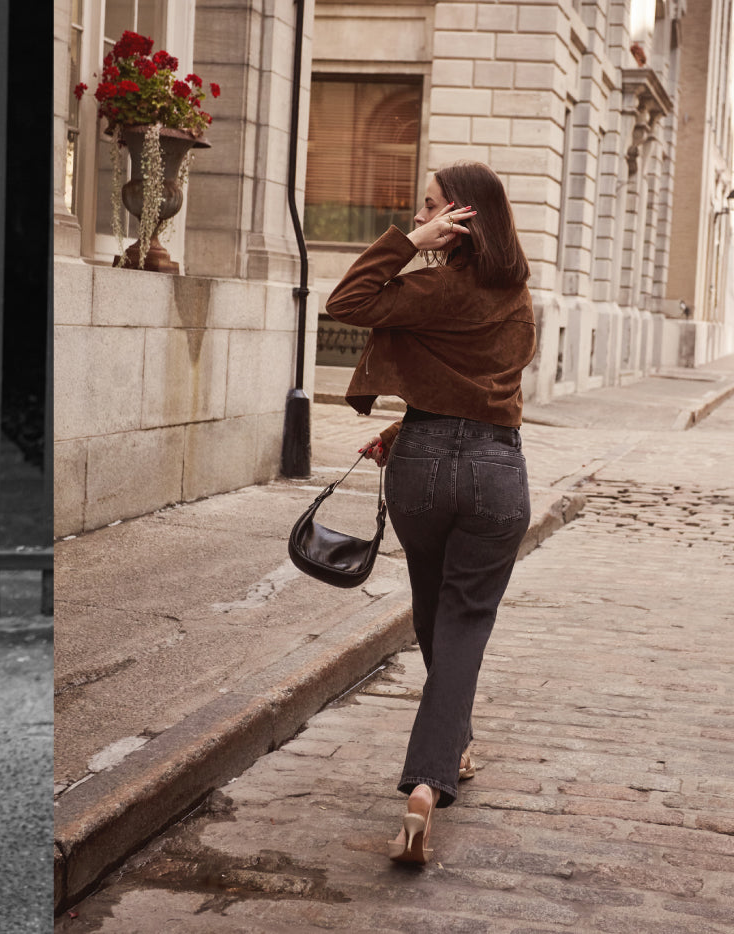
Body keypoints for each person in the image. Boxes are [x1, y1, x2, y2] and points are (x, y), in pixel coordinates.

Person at [323, 161, 535, 865]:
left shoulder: (429, 287)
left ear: (463, 217)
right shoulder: (517, 297)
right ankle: (434, 772)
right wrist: (400, 429)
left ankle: (435, 767)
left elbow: (346, 299)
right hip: (494, 466)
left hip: (421, 463)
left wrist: (409, 244)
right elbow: (487, 388)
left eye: (431, 207)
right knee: (463, 618)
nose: (420, 218)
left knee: (432, 610)